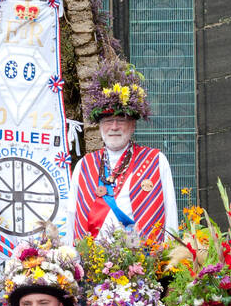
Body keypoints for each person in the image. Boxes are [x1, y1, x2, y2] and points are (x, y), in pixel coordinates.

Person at [66, 59, 178, 245]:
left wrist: (170, 258)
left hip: (143, 261)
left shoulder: (156, 161)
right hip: (94, 262)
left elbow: (170, 211)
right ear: (100, 126)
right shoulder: (85, 165)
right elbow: (71, 215)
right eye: (108, 121)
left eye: (121, 120)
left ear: (132, 125)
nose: (114, 127)